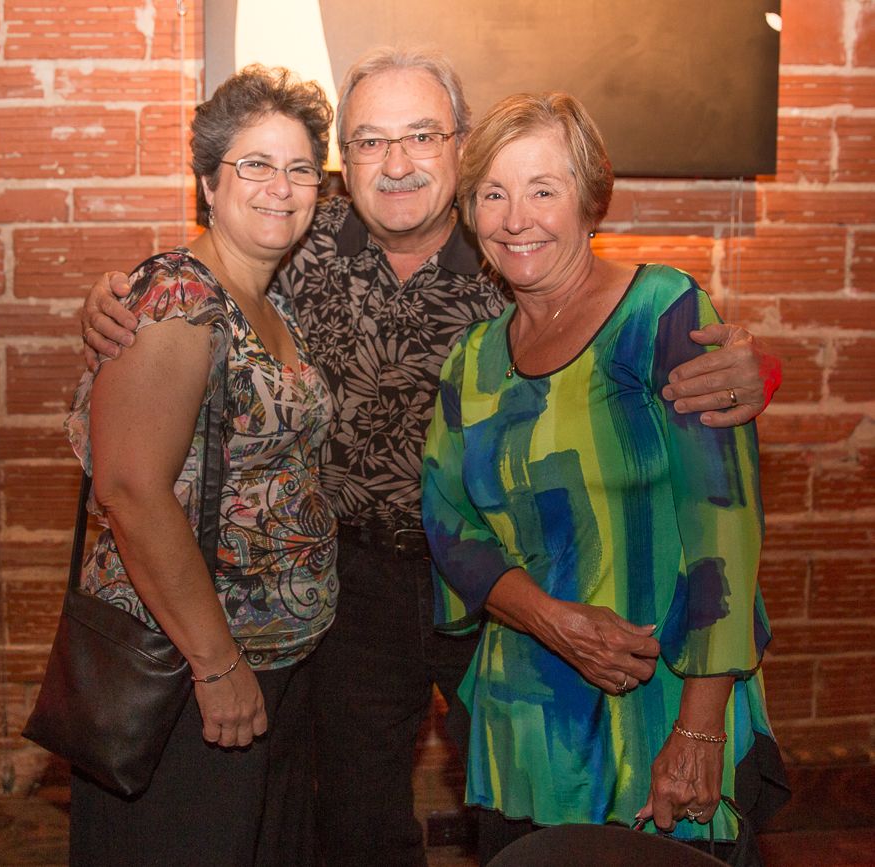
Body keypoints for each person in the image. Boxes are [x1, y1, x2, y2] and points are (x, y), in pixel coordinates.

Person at [80, 48, 781, 867]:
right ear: (344, 159)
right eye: (371, 141)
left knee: (533, 798)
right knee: (355, 821)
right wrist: (111, 303)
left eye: (421, 135)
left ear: (460, 144)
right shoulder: (294, 238)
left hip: (503, 590)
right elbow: (194, 303)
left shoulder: (510, 251)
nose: (398, 163)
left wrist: (759, 370)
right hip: (348, 588)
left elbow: (627, 341)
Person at [422, 91, 788, 865]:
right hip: (527, 724)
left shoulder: (662, 313)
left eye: (543, 189)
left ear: (590, 201)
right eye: (494, 193)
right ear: (472, 213)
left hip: (662, 713)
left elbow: (724, 525)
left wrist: (700, 728)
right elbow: (449, 524)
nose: (516, 217)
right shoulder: (471, 360)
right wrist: (551, 618)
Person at [64, 65, 338, 867]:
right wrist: (217, 665)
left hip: (273, 663)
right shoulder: (178, 298)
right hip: (185, 675)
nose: (281, 186)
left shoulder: (268, 301)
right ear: (209, 184)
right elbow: (130, 489)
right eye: (256, 164)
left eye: (299, 168)